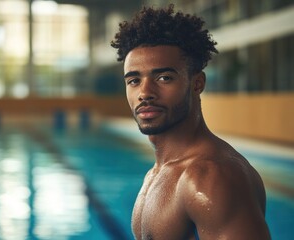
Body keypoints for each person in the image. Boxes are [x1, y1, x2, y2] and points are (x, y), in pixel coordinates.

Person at [111, 4, 271, 240]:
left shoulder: (211, 178)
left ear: (197, 84)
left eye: (164, 78)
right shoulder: (158, 173)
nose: (145, 92)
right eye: (134, 80)